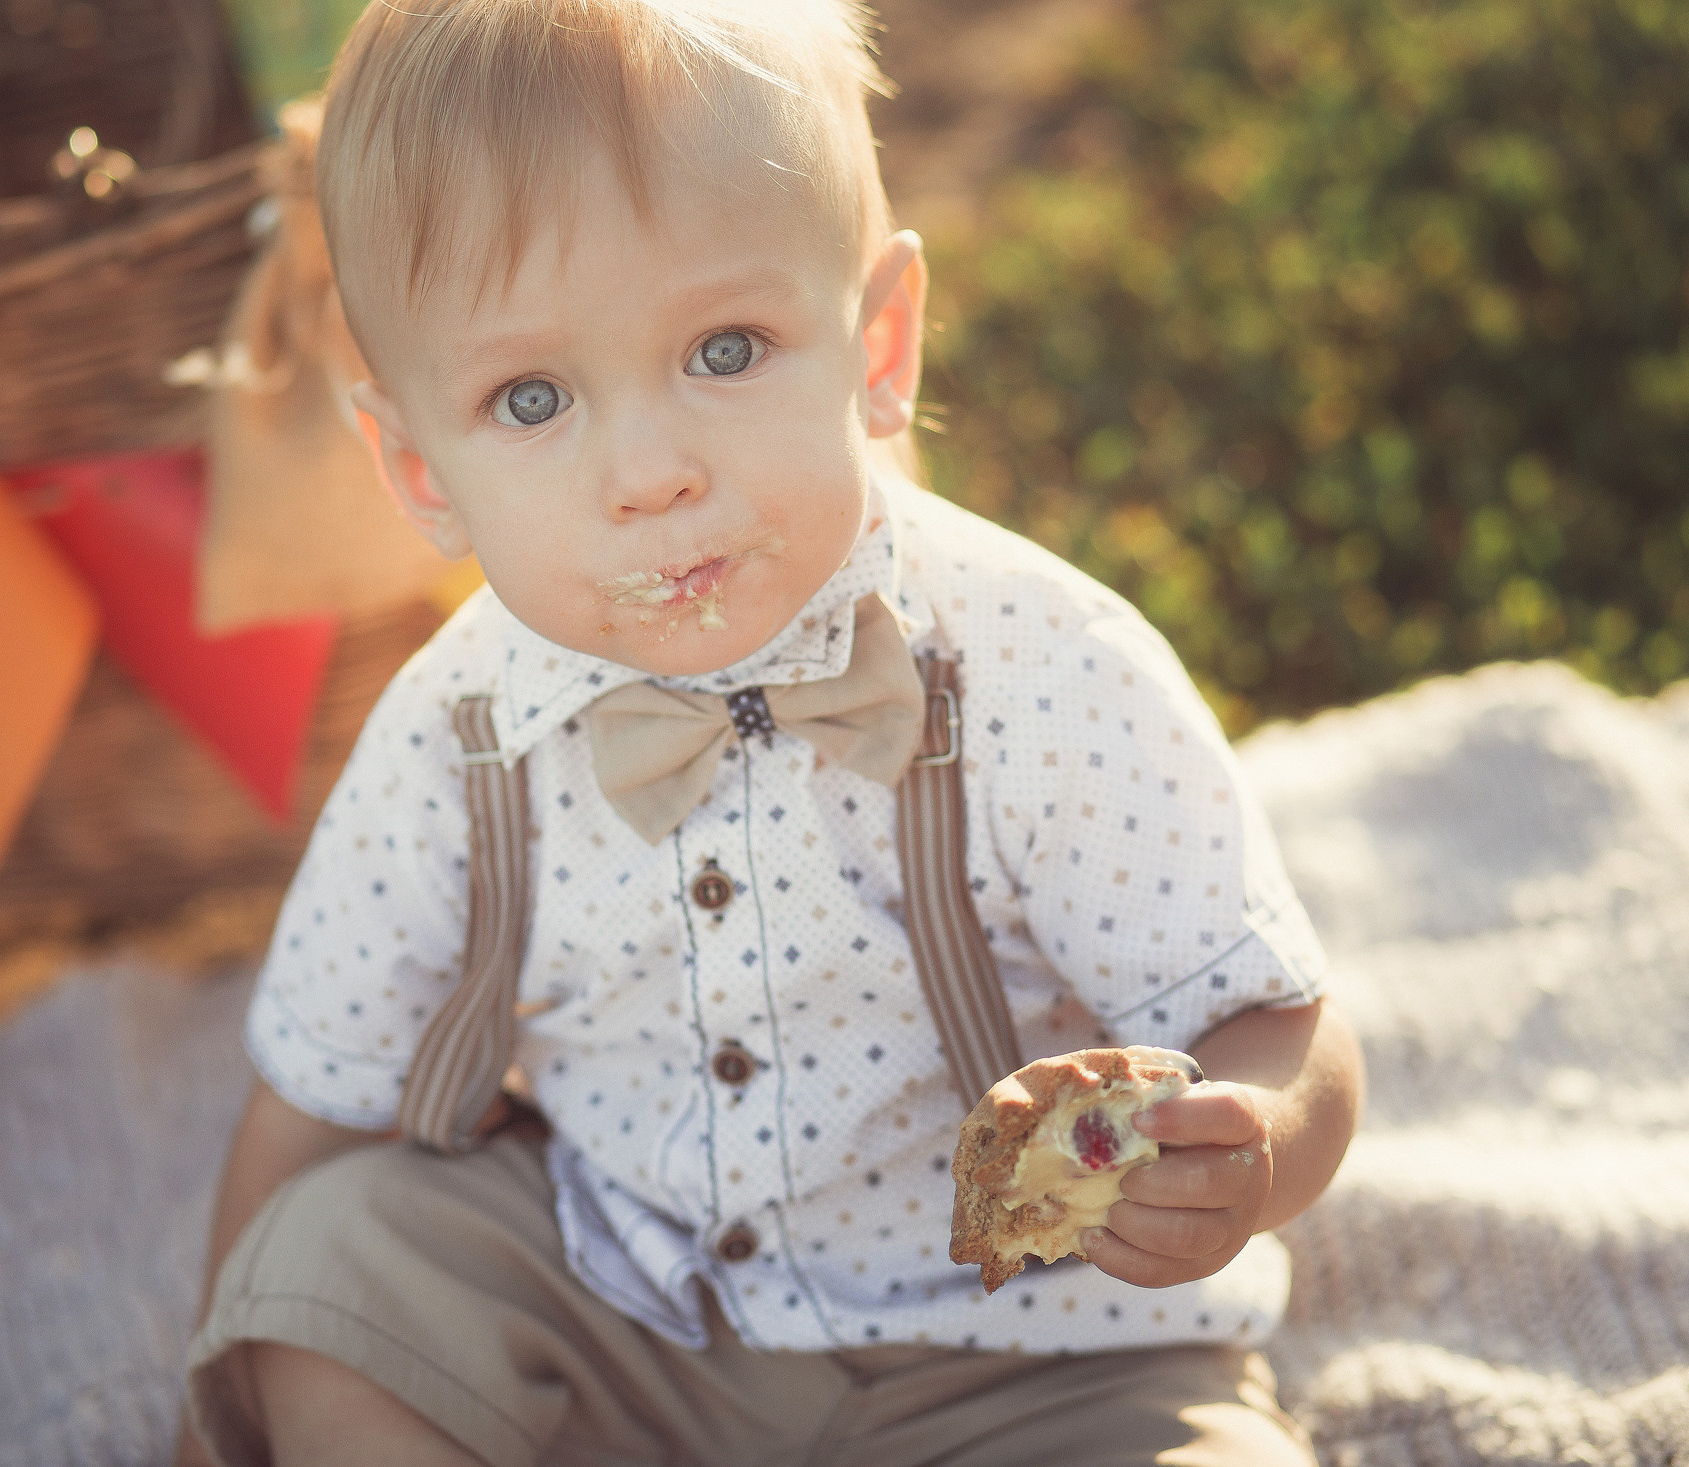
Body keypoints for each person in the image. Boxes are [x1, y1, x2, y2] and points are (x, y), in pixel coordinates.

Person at [175, 2, 1364, 1463]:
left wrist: (1250, 1143)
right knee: (335, 1271)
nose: (652, 470)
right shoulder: (455, 738)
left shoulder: (1045, 667)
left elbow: (1274, 1016)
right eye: (531, 398)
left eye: (725, 348)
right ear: (421, 471)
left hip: (1033, 1358)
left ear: (878, 343)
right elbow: (317, 1100)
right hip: (629, 1313)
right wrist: (242, 1353)